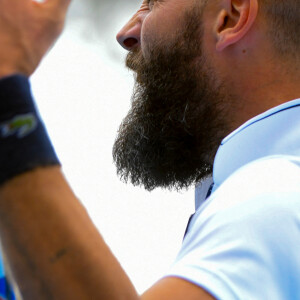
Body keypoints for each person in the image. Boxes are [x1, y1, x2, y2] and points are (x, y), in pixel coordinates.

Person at [0, 0, 299, 298]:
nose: (126, 33)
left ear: (229, 18)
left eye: (152, 2)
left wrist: (7, 88)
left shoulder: (272, 198)